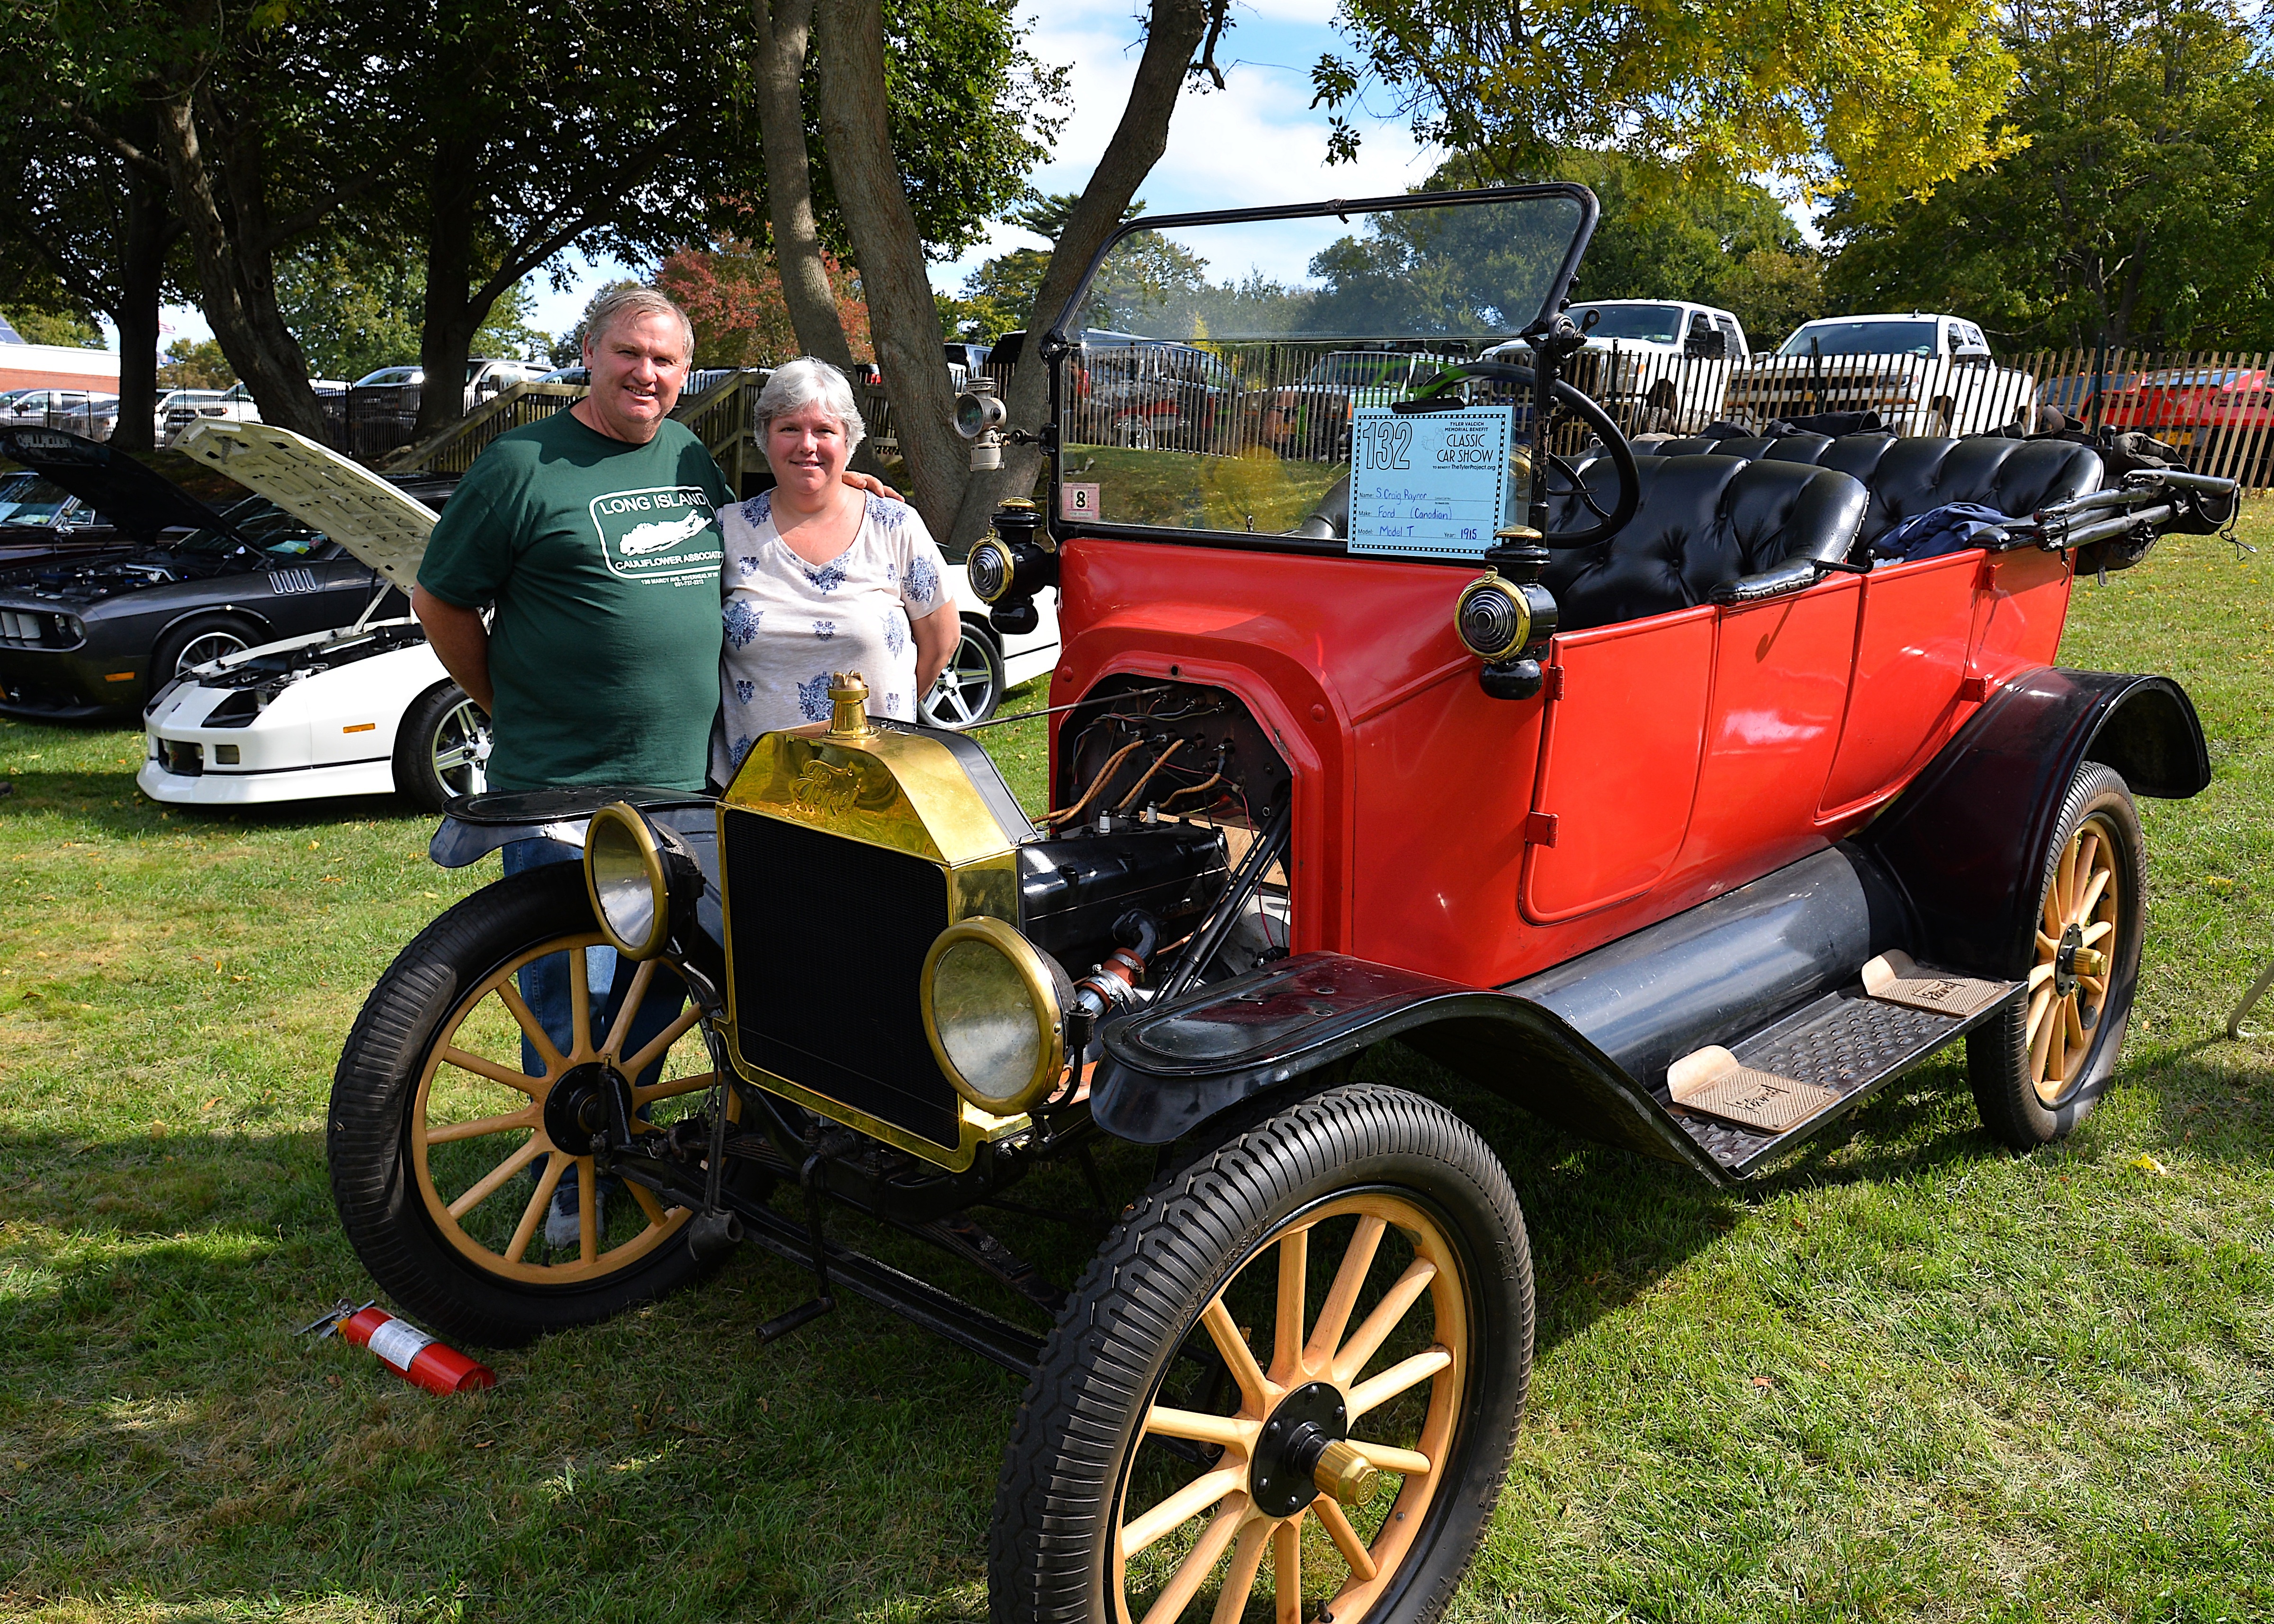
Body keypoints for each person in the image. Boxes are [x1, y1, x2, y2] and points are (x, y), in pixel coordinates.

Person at [412, 290, 893, 1248]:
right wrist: (513, 707)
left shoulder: (683, 456)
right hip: (559, 785)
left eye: (667, 362)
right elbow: (441, 603)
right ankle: (569, 1178)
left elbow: (757, 532)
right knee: (566, 1000)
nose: (648, 375)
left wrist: (850, 494)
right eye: (629, 354)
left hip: (688, 782)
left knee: (672, 981)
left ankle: (662, 1151)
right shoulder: (519, 466)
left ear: (685, 374)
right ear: (588, 353)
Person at [713, 357, 959, 781]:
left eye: (824, 430)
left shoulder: (895, 525)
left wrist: (889, 719)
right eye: (789, 428)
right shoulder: (728, 530)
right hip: (756, 792)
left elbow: (941, 642)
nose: (807, 444)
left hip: (876, 787)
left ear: (849, 440)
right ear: (764, 437)